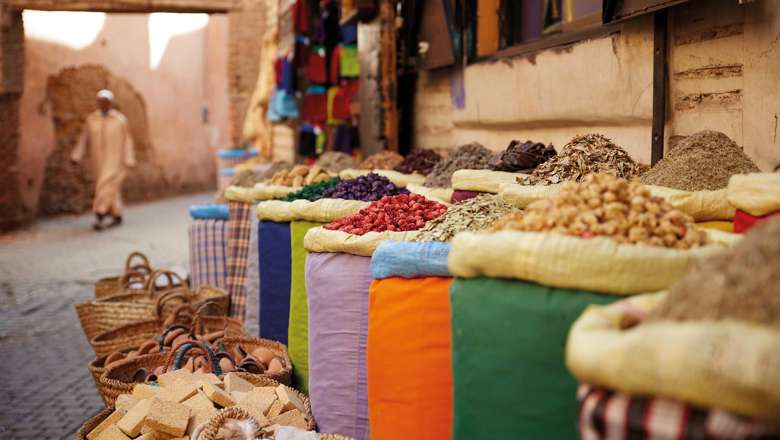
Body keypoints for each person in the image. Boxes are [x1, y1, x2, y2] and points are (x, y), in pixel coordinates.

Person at [71, 89, 136, 230]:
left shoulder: (120, 120)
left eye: (106, 102)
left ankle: (100, 213)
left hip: (116, 159)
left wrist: (129, 159)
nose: (103, 104)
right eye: (101, 102)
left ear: (112, 103)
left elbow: (127, 141)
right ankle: (116, 214)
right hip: (98, 159)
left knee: (105, 185)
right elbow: (84, 139)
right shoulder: (92, 119)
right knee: (109, 186)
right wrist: (77, 155)